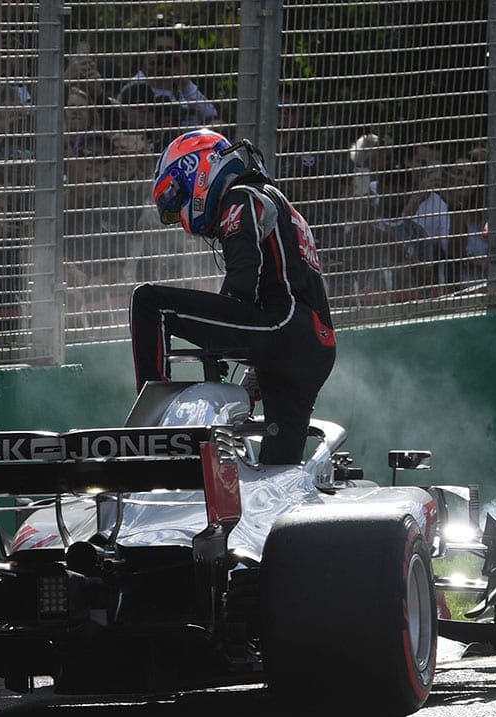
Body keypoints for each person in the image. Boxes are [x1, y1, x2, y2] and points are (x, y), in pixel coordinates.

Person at [130, 129, 336, 465]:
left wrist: (219, 340)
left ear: (200, 169)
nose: (179, 212)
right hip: (316, 347)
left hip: (281, 329)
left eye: (177, 197)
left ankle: (151, 423)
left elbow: (243, 283)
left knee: (150, 302)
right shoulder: (280, 203)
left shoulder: (241, 196)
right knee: (278, 469)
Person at [116, 27, 219, 130]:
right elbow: (119, 110)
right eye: (159, 49)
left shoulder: (184, 89)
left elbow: (211, 115)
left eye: (170, 50)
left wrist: (186, 83)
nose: (164, 54)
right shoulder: (136, 87)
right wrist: (145, 71)